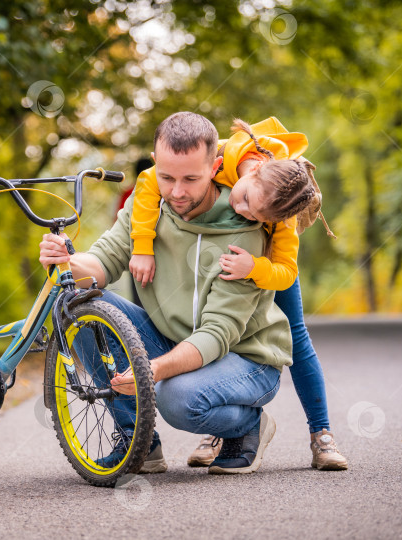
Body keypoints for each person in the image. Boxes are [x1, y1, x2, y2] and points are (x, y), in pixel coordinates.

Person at [39, 111, 294, 474]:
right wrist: (66, 261)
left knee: (178, 399)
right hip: (172, 341)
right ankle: (137, 441)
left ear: (216, 167)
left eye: (191, 179)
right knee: (79, 306)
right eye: (167, 177)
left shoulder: (246, 232)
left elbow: (216, 334)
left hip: (246, 358)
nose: (176, 191)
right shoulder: (146, 207)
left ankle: (248, 426)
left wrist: (150, 370)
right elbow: (105, 261)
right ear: (155, 165)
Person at [128, 117, 348, 471]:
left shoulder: (282, 217)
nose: (241, 210)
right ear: (253, 172)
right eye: (244, 199)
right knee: (213, 324)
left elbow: (286, 272)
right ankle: (216, 428)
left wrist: (255, 268)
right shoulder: (225, 156)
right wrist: (142, 245)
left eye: (256, 214)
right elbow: (152, 180)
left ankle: (321, 434)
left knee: (295, 335)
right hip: (230, 255)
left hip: (264, 264)